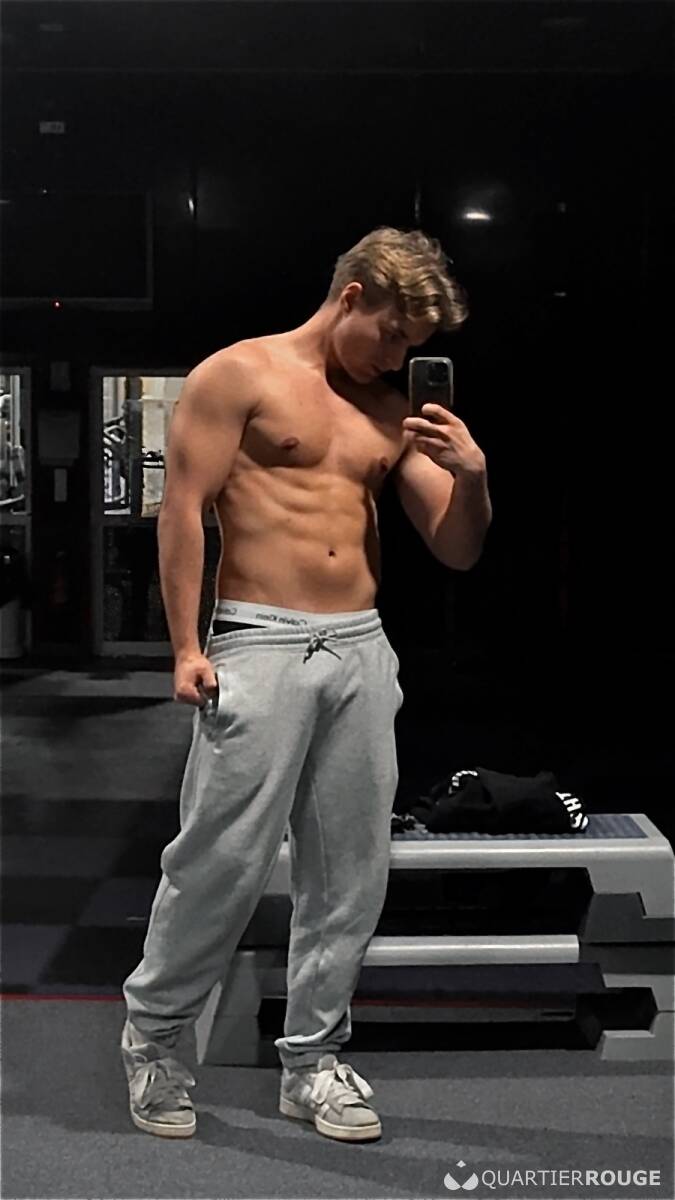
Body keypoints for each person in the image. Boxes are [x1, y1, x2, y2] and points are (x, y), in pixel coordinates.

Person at [120, 226, 492, 1143]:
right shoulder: (237, 374)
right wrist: (184, 645)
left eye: (413, 345)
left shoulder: (388, 410)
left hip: (359, 646)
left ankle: (314, 1062)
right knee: (219, 863)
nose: (398, 357)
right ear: (353, 293)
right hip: (258, 640)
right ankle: (156, 1043)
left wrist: (472, 477)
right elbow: (183, 511)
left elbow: (456, 548)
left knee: (350, 876)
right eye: (393, 334)